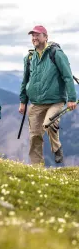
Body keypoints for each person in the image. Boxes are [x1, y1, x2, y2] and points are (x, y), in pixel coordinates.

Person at [19, 25, 77, 165]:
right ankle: (36, 166)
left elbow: (67, 76)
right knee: (35, 136)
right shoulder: (29, 57)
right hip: (36, 102)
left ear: (45, 37)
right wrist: (23, 101)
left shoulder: (56, 53)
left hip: (55, 101)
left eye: (38, 35)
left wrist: (72, 99)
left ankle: (57, 148)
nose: (34, 38)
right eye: (33, 35)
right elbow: (25, 80)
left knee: (49, 124)